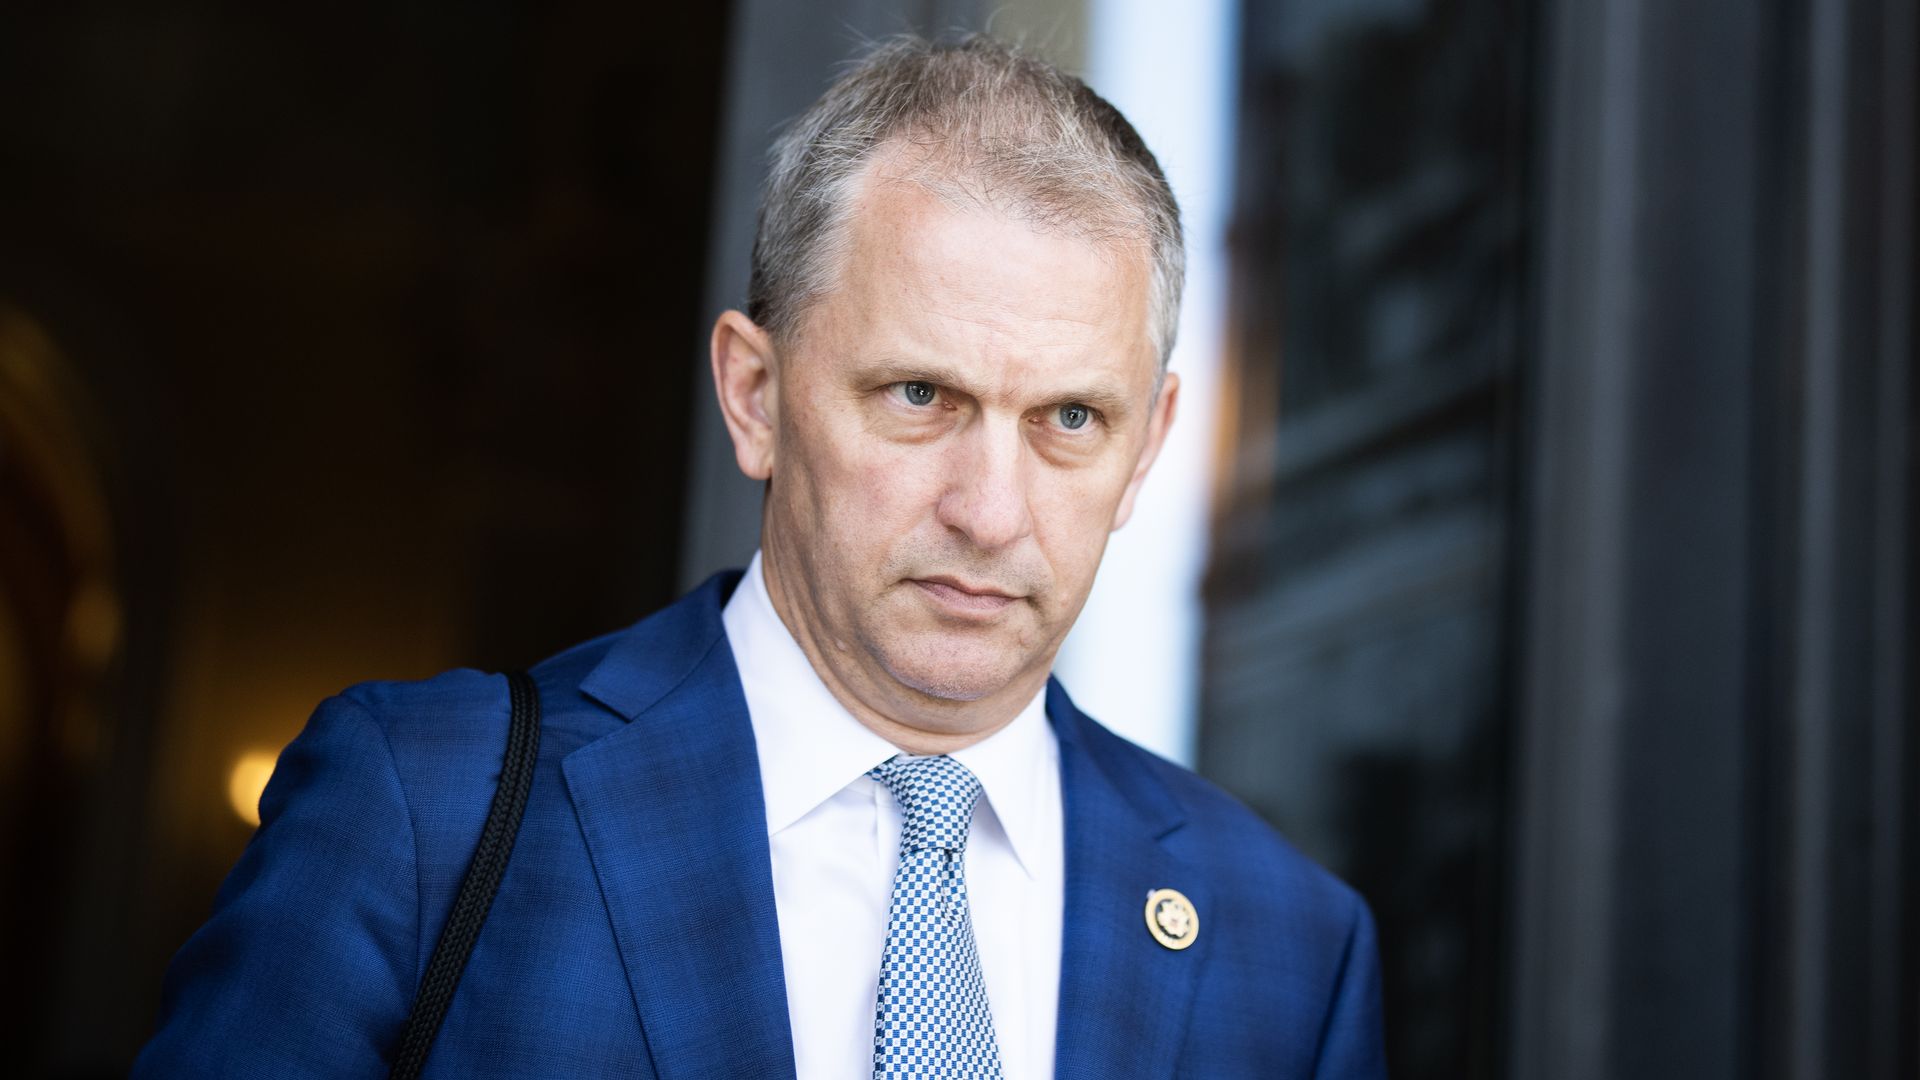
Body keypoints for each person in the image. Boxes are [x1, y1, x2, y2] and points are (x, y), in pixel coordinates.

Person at [135, 35, 1384, 1079]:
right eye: (918, 395)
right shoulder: (422, 814)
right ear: (754, 395)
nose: (992, 511)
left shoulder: (1287, 946)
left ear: (1149, 444)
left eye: (1071, 419)